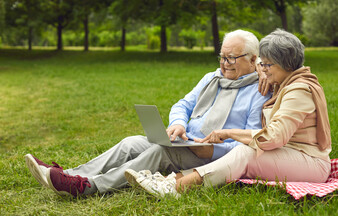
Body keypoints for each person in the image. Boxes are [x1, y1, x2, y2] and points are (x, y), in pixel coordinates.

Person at [25, 29, 270, 197]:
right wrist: (178, 124)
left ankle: (88, 186)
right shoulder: (211, 78)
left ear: (253, 60)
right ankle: (69, 174)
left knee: (159, 150)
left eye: (232, 58)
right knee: (130, 143)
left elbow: (249, 141)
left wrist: (213, 149)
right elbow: (183, 105)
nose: (224, 63)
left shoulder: (260, 91)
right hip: (185, 141)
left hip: (212, 156)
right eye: (222, 57)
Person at [126, 29, 332, 198]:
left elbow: (274, 136)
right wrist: (260, 68)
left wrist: (229, 133)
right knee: (245, 150)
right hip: (287, 153)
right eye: (262, 63)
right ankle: (171, 180)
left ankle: (174, 188)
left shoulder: (298, 91)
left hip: (309, 162)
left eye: (268, 65)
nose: (264, 69)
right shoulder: (283, 80)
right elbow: (256, 63)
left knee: (245, 152)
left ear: (286, 65)